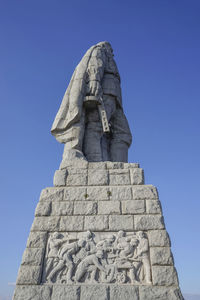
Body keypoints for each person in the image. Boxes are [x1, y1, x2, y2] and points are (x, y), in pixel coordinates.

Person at [51, 41, 132, 162]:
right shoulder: (100, 50)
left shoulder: (108, 56)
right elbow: (95, 63)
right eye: (111, 50)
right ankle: (94, 160)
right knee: (96, 125)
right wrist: (95, 80)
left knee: (123, 133)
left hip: (115, 99)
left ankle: (118, 163)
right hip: (105, 92)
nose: (113, 53)